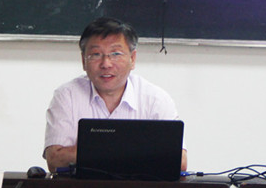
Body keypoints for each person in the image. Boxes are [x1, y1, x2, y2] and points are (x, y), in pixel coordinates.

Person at [43, 17, 187, 173]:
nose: (106, 64)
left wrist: (96, 152)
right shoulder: (67, 96)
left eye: (116, 53)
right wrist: (132, 151)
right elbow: (54, 160)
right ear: (83, 61)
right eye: (96, 54)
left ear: (132, 59)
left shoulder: (155, 99)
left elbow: (180, 161)